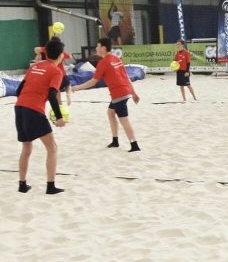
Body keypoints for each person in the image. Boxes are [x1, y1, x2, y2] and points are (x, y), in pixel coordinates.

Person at [15, 38, 68, 195]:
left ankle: (22, 184)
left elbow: (18, 90)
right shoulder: (56, 71)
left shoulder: (35, 67)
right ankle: (50, 186)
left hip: (19, 108)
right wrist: (59, 117)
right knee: (52, 147)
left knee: (26, 147)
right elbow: (52, 95)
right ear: (60, 56)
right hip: (34, 110)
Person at [72, 38, 142, 152]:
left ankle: (134, 145)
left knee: (124, 120)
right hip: (124, 91)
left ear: (103, 48)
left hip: (119, 94)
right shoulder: (116, 59)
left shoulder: (103, 63)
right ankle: (115, 141)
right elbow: (127, 77)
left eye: (98, 46)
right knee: (110, 113)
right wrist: (133, 93)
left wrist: (77, 87)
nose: (96, 48)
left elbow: (93, 81)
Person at [34, 38, 73, 106]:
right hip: (61, 73)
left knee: (57, 89)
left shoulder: (46, 49)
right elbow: (70, 56)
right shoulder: (61, 52)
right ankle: (68, 94)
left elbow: (36, 49)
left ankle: (60, 103)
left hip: (51, 73)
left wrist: (38, 53)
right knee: (68, 85)